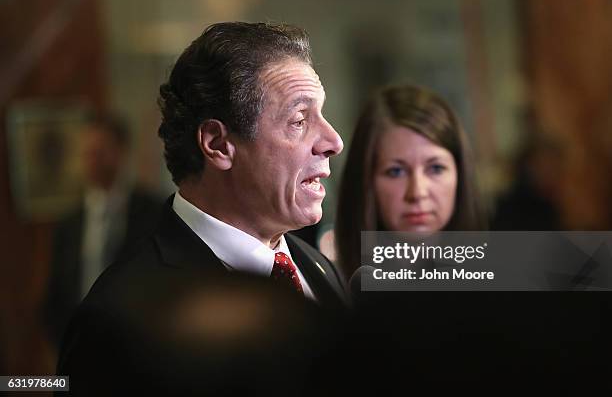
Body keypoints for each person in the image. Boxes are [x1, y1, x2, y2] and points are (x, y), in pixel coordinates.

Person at [57, 22, 346, 394]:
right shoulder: (117, 317)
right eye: (299, 120)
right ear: (218, 144)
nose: (333, 141)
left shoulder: (320, 268)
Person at [335, 83, 484, 280]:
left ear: (459, 173)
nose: (417, 192)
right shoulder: (329, 291)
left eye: (436, 168)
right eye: (396, 171)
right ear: (365, 181)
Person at [43, 113, 162, 348]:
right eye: (87, 153)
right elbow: (56, 294)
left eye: (100, 151)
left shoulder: (154, 213)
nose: (92, 160)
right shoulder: (68, 224)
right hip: (81, 346)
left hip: (138, 345)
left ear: (120, 152)